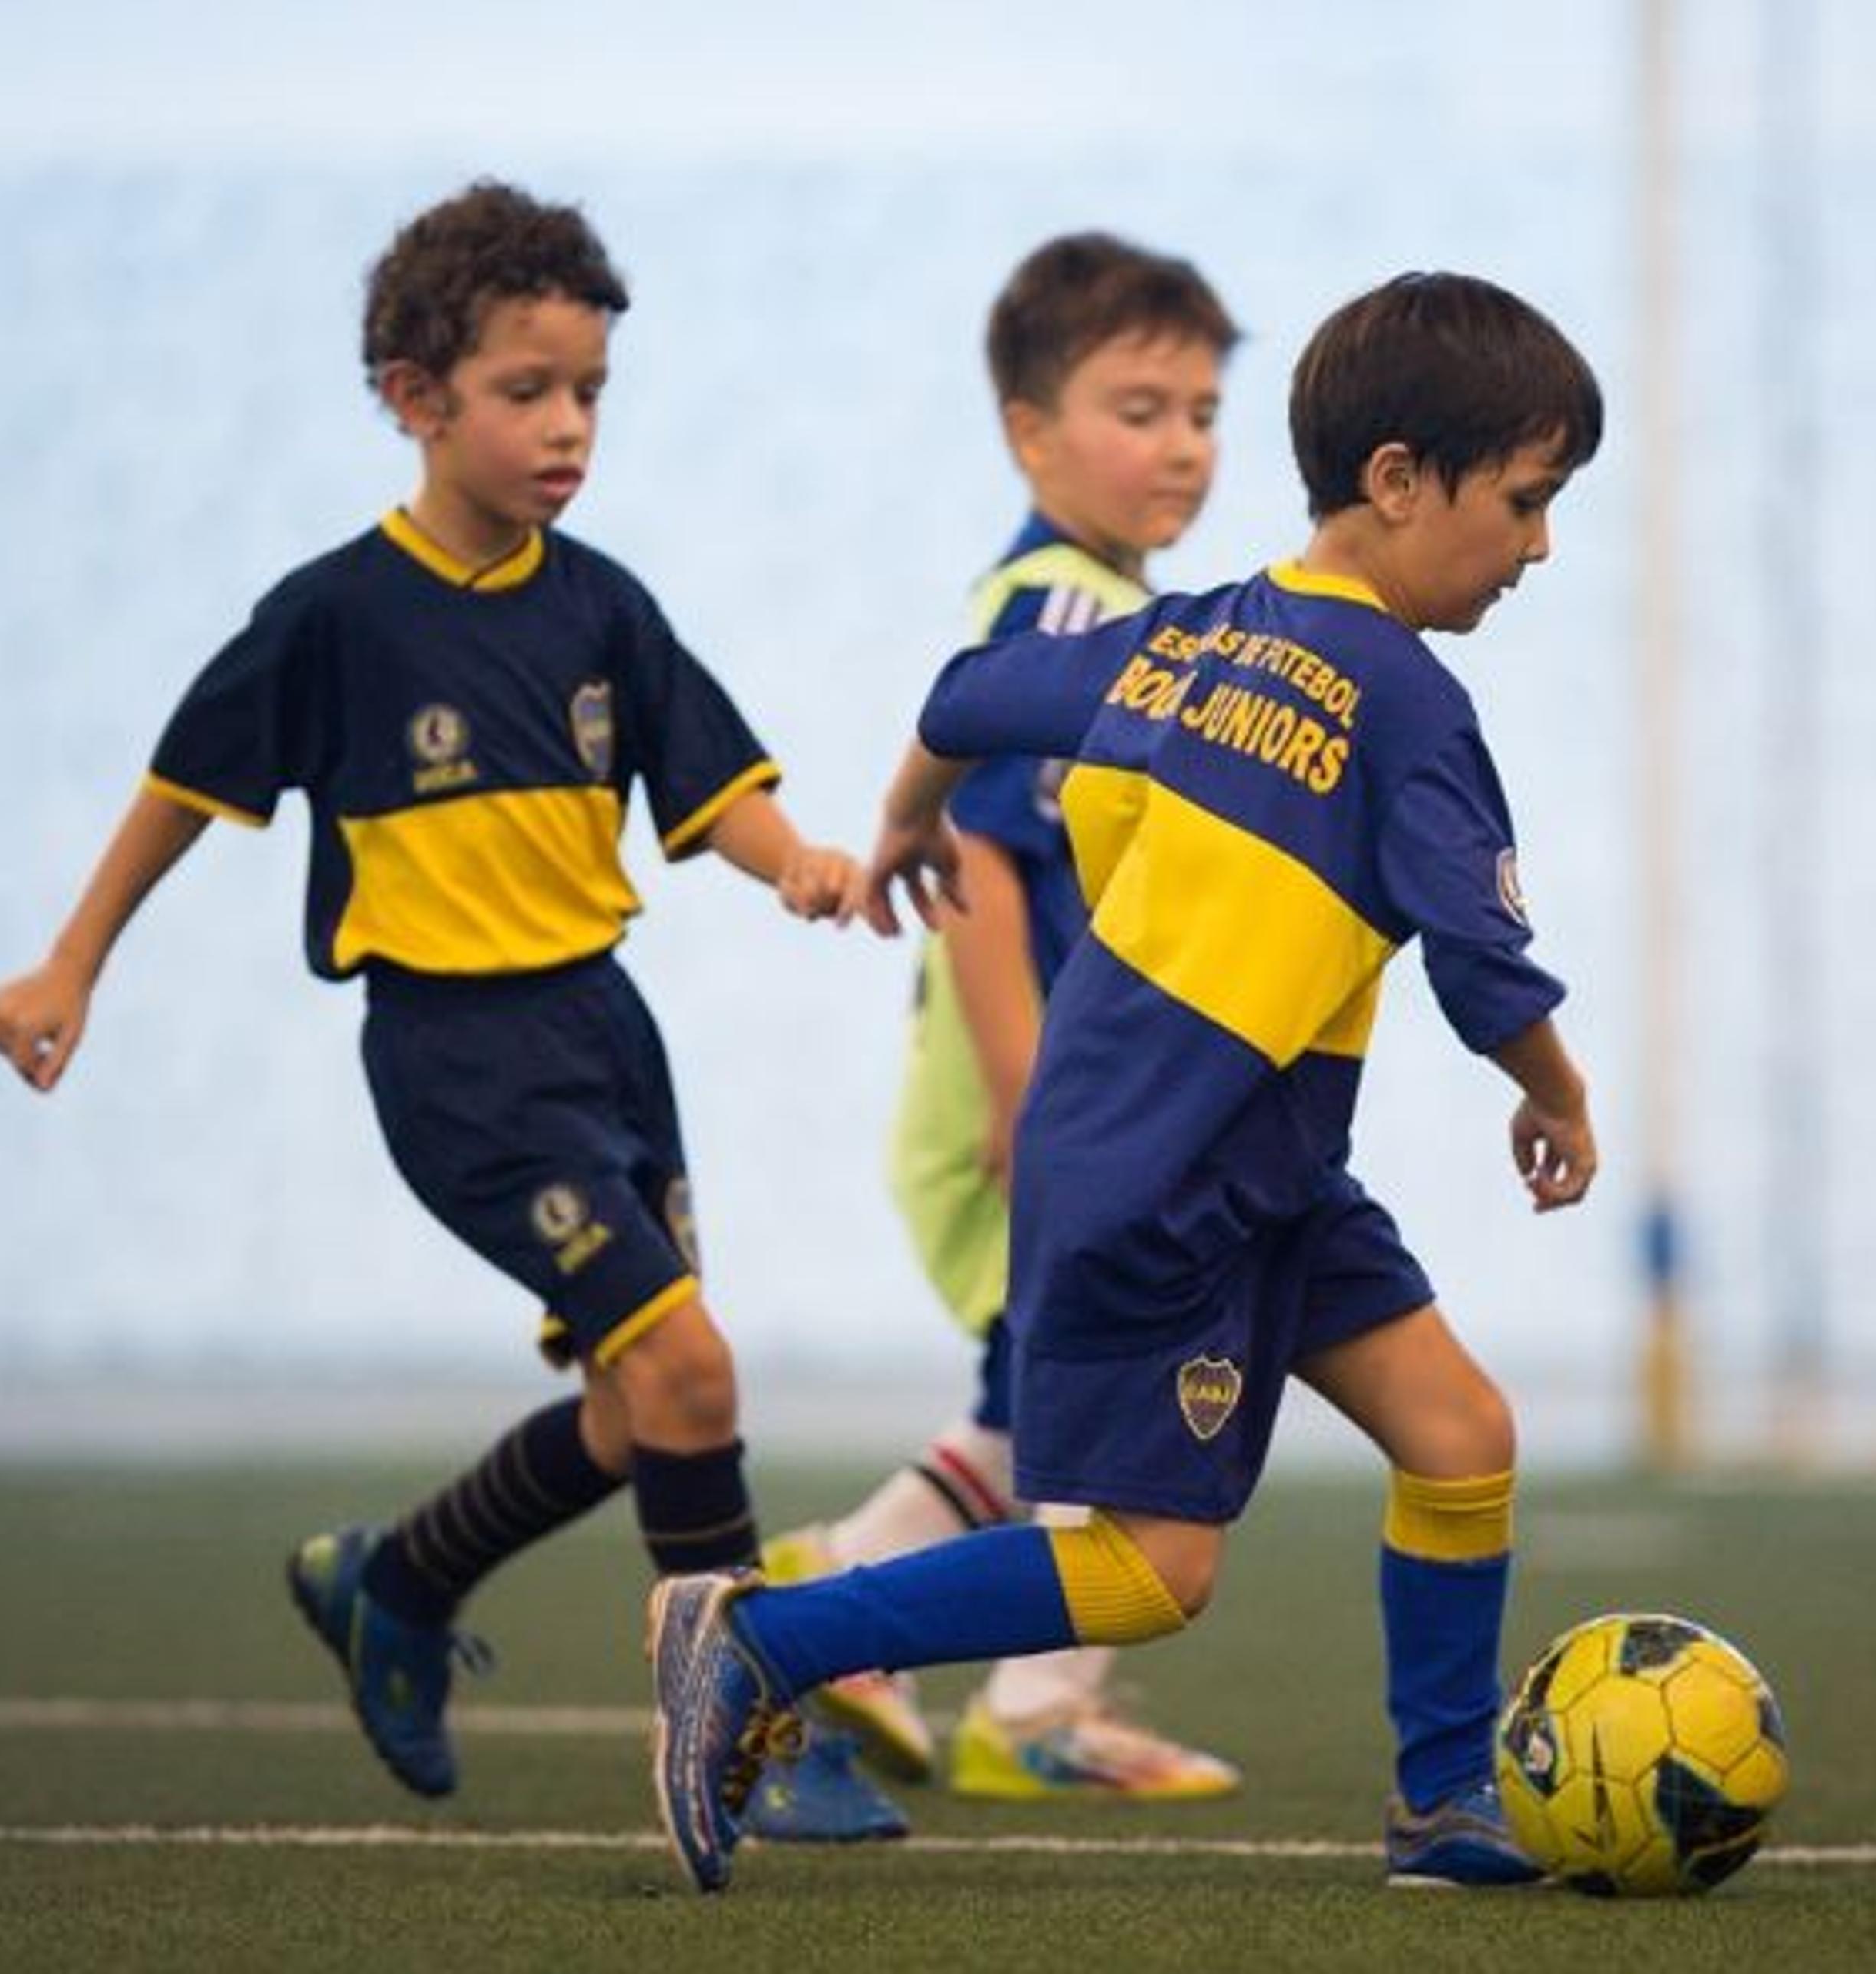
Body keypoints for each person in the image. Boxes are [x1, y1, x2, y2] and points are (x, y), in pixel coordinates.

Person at [646, 270, 1605, 1895]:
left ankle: (1443, 1801)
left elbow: (965, 699)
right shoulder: (1411, 706)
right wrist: (1558, 1097)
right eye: (1525, 502)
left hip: (1259, 1164)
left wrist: (903, 821)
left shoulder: (1187, 636)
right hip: (1165, 1180)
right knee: (1152, 1571)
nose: (1539, 546)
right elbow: (1486, 966)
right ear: (1395, 482)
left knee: (1459, 1432)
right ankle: (766, 1639)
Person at [0, 180, 860, 1801]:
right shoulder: (336, 616)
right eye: (529, 391)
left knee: (635, 1406)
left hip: (606, 1032)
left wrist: (791, 855)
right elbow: (184, 786)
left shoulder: (602, 602)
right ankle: (750, 1740)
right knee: (692, 1374)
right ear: (415, 399)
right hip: (461, 1058)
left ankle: (398, 1583)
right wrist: (70, 960)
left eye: (589, 391)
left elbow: (710, 782)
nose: (568, 425)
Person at [746, 232, 1246, 1842]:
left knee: (1038, 1406)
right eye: (1140, 407)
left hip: (1058, 1093)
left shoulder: (1108, 605)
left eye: (1201, 410)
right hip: (1025, 1096)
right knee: (1084, 1404)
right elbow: (990, 868)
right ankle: (997, 1690)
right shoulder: (1055, 607)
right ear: (1030, 434)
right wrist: (1034, 1093)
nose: (1182, 444)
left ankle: (916, 1638)